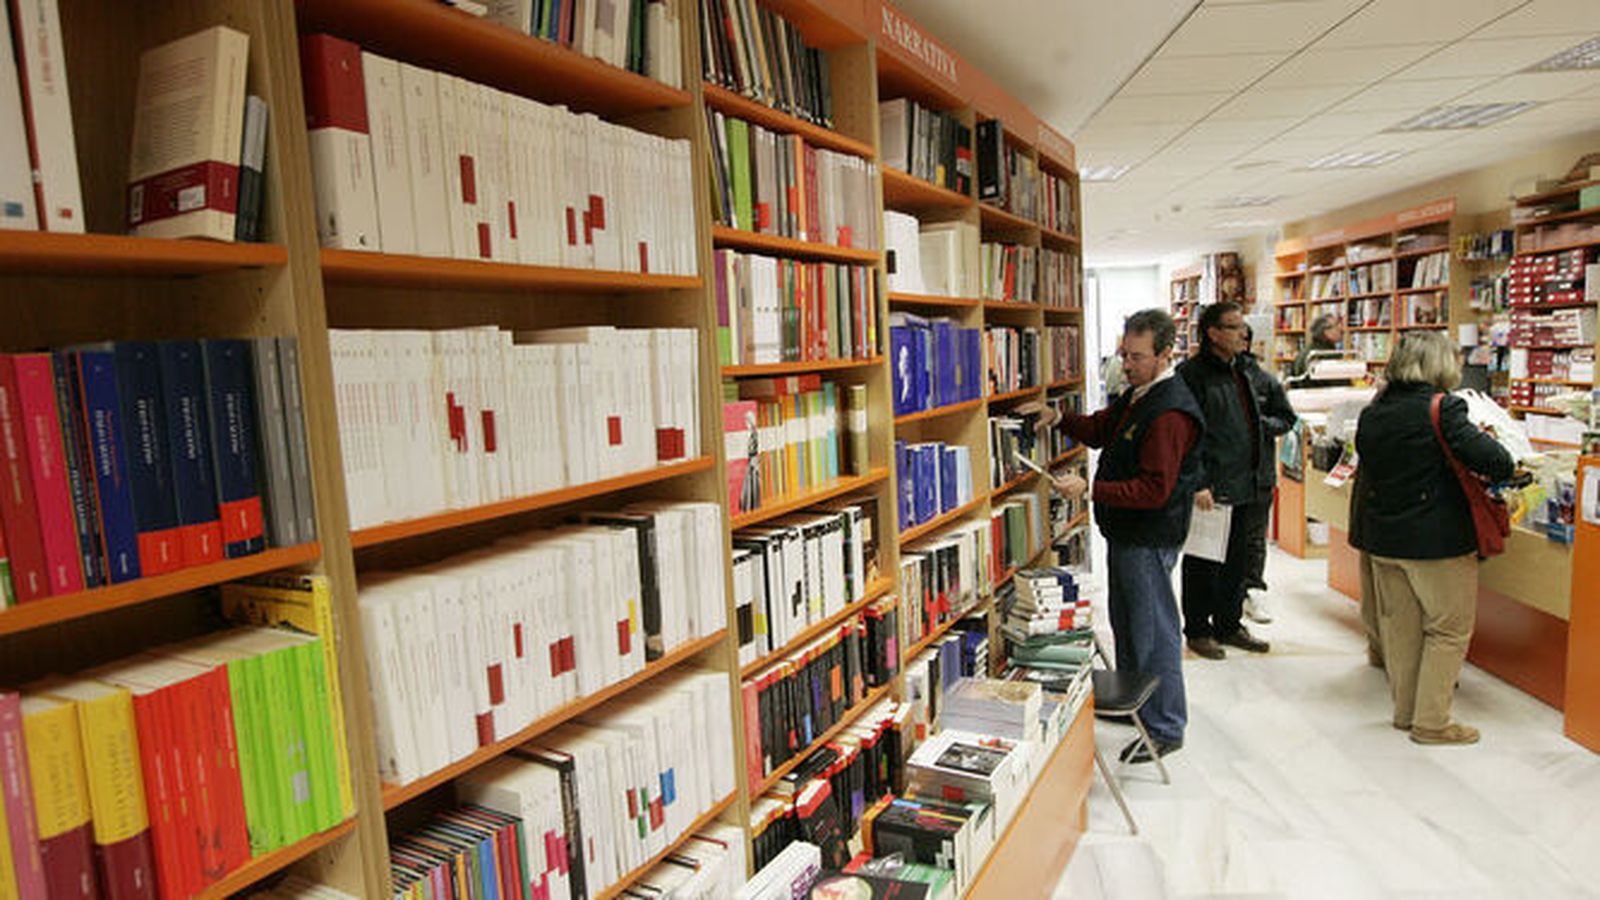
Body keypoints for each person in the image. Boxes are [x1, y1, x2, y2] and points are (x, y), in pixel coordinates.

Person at [1020, 309, 1205, 763]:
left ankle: (1165, 725)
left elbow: (1154, 488)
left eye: (1138, 357)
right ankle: (1139, 705)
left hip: (1148, 536)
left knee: (1155, 630)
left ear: (1165, 354)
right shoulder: (1140, 394)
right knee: (1128, 623)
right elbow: (1103, 429)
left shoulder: (1169, 412)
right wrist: (1056, 416)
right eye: (1125, 354)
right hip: (1127, 534)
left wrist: (1091, 490)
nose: (1126, 364)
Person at [1349, 330, 1514, 745]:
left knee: (1400, 630)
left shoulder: (1374, 411)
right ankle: (1434, 721)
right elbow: (1497, 461)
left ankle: (1406, 714)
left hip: (1385, 538)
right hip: (1437, 539)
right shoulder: (1444, 408)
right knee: (1448, 629)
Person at [1174, 303, 1277, 659]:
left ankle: (1229, 625)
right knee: (1203, 560)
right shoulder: (1191, 375)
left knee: (1237, 560)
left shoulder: (1243, 370)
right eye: (1233, 327)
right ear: (1213, 333)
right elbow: (1186, 434)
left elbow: (1255, 422)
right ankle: (1199, 630)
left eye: (1242, 327)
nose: (1242, 334)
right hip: (1212, 485)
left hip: (1245, 481)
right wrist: (1198, 481)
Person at [1238, 323, 1296, 624]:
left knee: (1254, 537)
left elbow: (1287, 419)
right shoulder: (1209, 379)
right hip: (1224, 476)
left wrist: (1258, 425)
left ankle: (1252, 591)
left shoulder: (1265, 381)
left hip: (1259, 472)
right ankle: (1226, 597)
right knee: (1222, 540)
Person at [1291, 313, 1344, 380]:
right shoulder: (1327, 354)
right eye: (1336, 325)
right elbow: (1339, 383)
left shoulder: (1303, 352)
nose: (1341, 328)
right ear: (1326, 331)